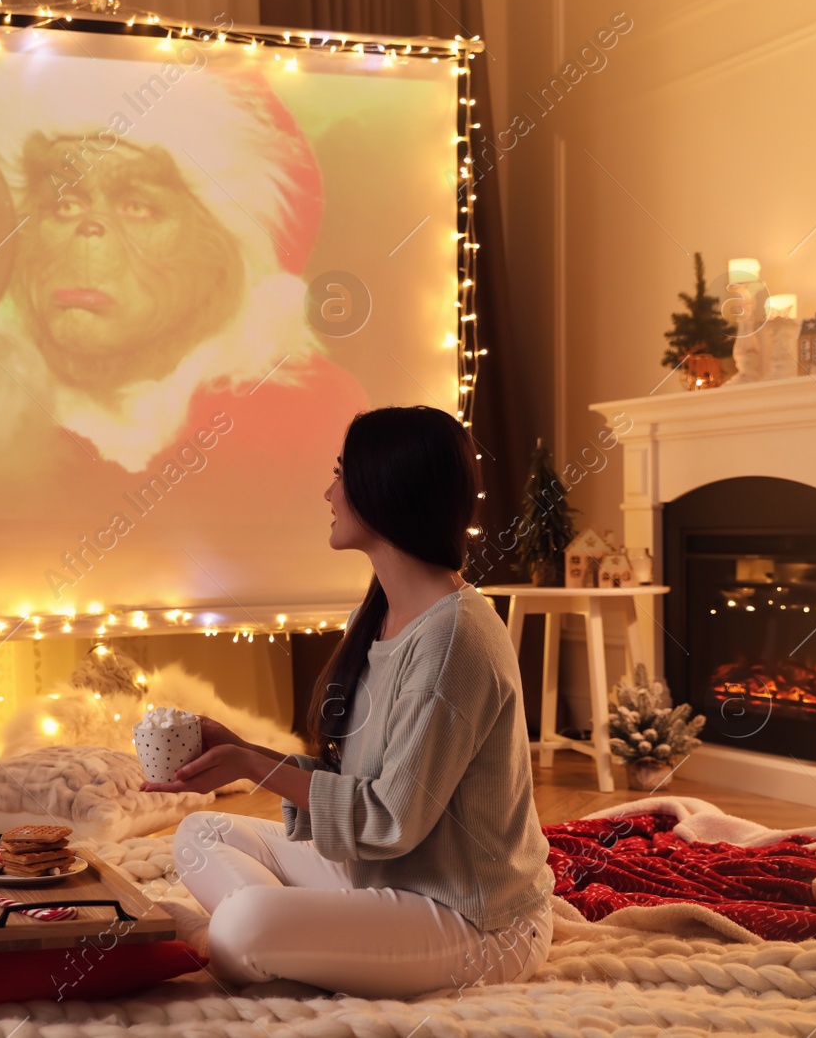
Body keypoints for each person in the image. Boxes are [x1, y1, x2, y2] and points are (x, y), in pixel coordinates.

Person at [140, 405, 555, 999]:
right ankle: (305, 943)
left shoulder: (454, 637)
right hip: (384, 878)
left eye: (341, 474)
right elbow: (360, 787)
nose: (328, 492)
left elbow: (390, 819)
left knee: (242, 923)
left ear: (385, 488)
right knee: (201, 834)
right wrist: (242, 750)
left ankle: (259, 940)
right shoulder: (385, 613)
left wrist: (257, 768)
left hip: (475, 918)